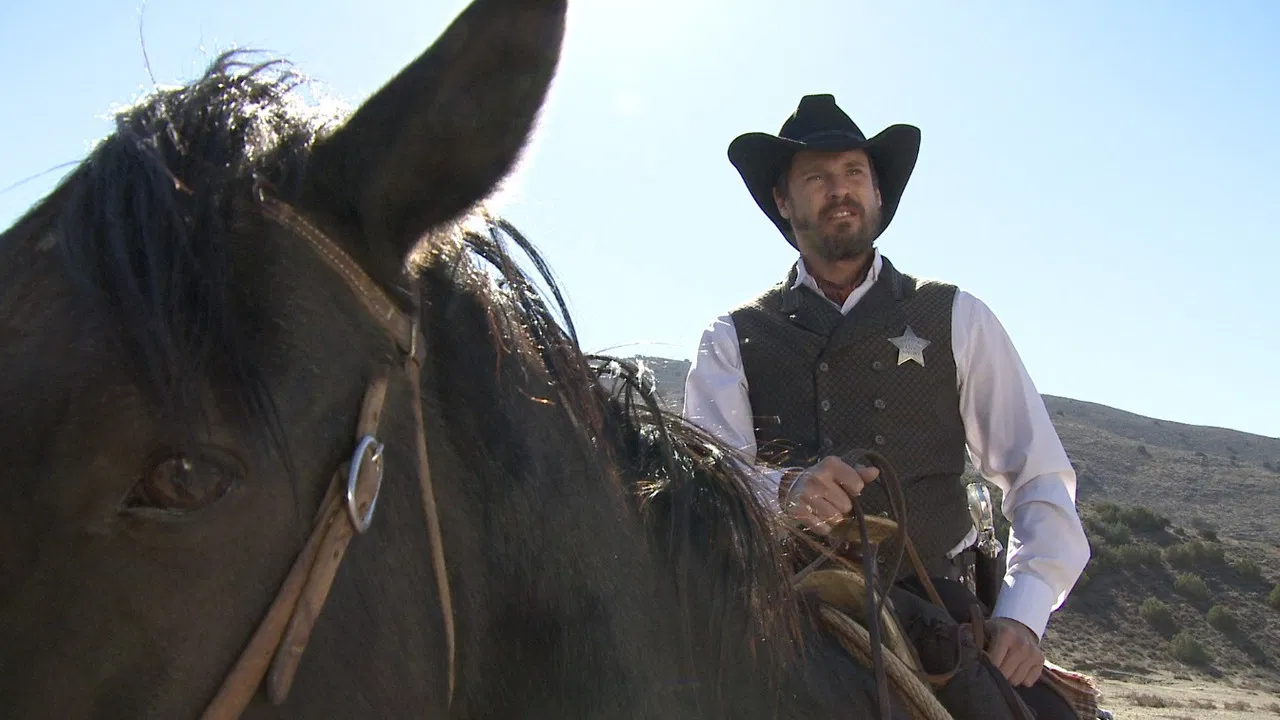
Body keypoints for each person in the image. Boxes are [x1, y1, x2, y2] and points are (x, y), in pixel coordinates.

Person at [681, 93, 1091, 718]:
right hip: (787, 617)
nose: (839, 190)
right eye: (816, 178)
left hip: (938, 620)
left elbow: (1039, 477)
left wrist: (1022, 615)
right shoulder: (732, 337)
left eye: (854, 172)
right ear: (784, 200)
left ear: (877, 192)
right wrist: (784, 491)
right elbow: (710, 484)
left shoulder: (956, 316)